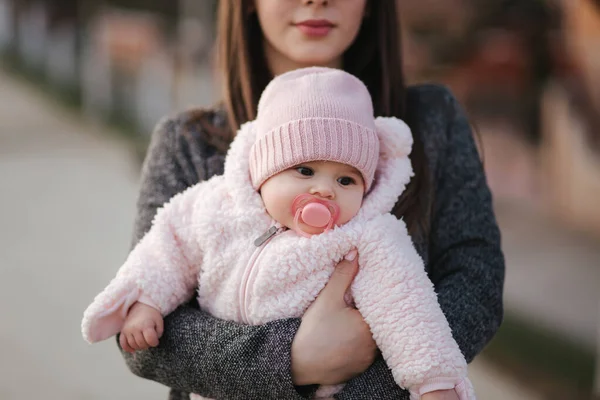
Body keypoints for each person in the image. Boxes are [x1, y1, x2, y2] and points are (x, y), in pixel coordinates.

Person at [116, 1, 505, 399]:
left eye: (344, 178)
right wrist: (293, 357)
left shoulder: (429, 122)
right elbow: (145, 336)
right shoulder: (188, 142)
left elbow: (476, 283)